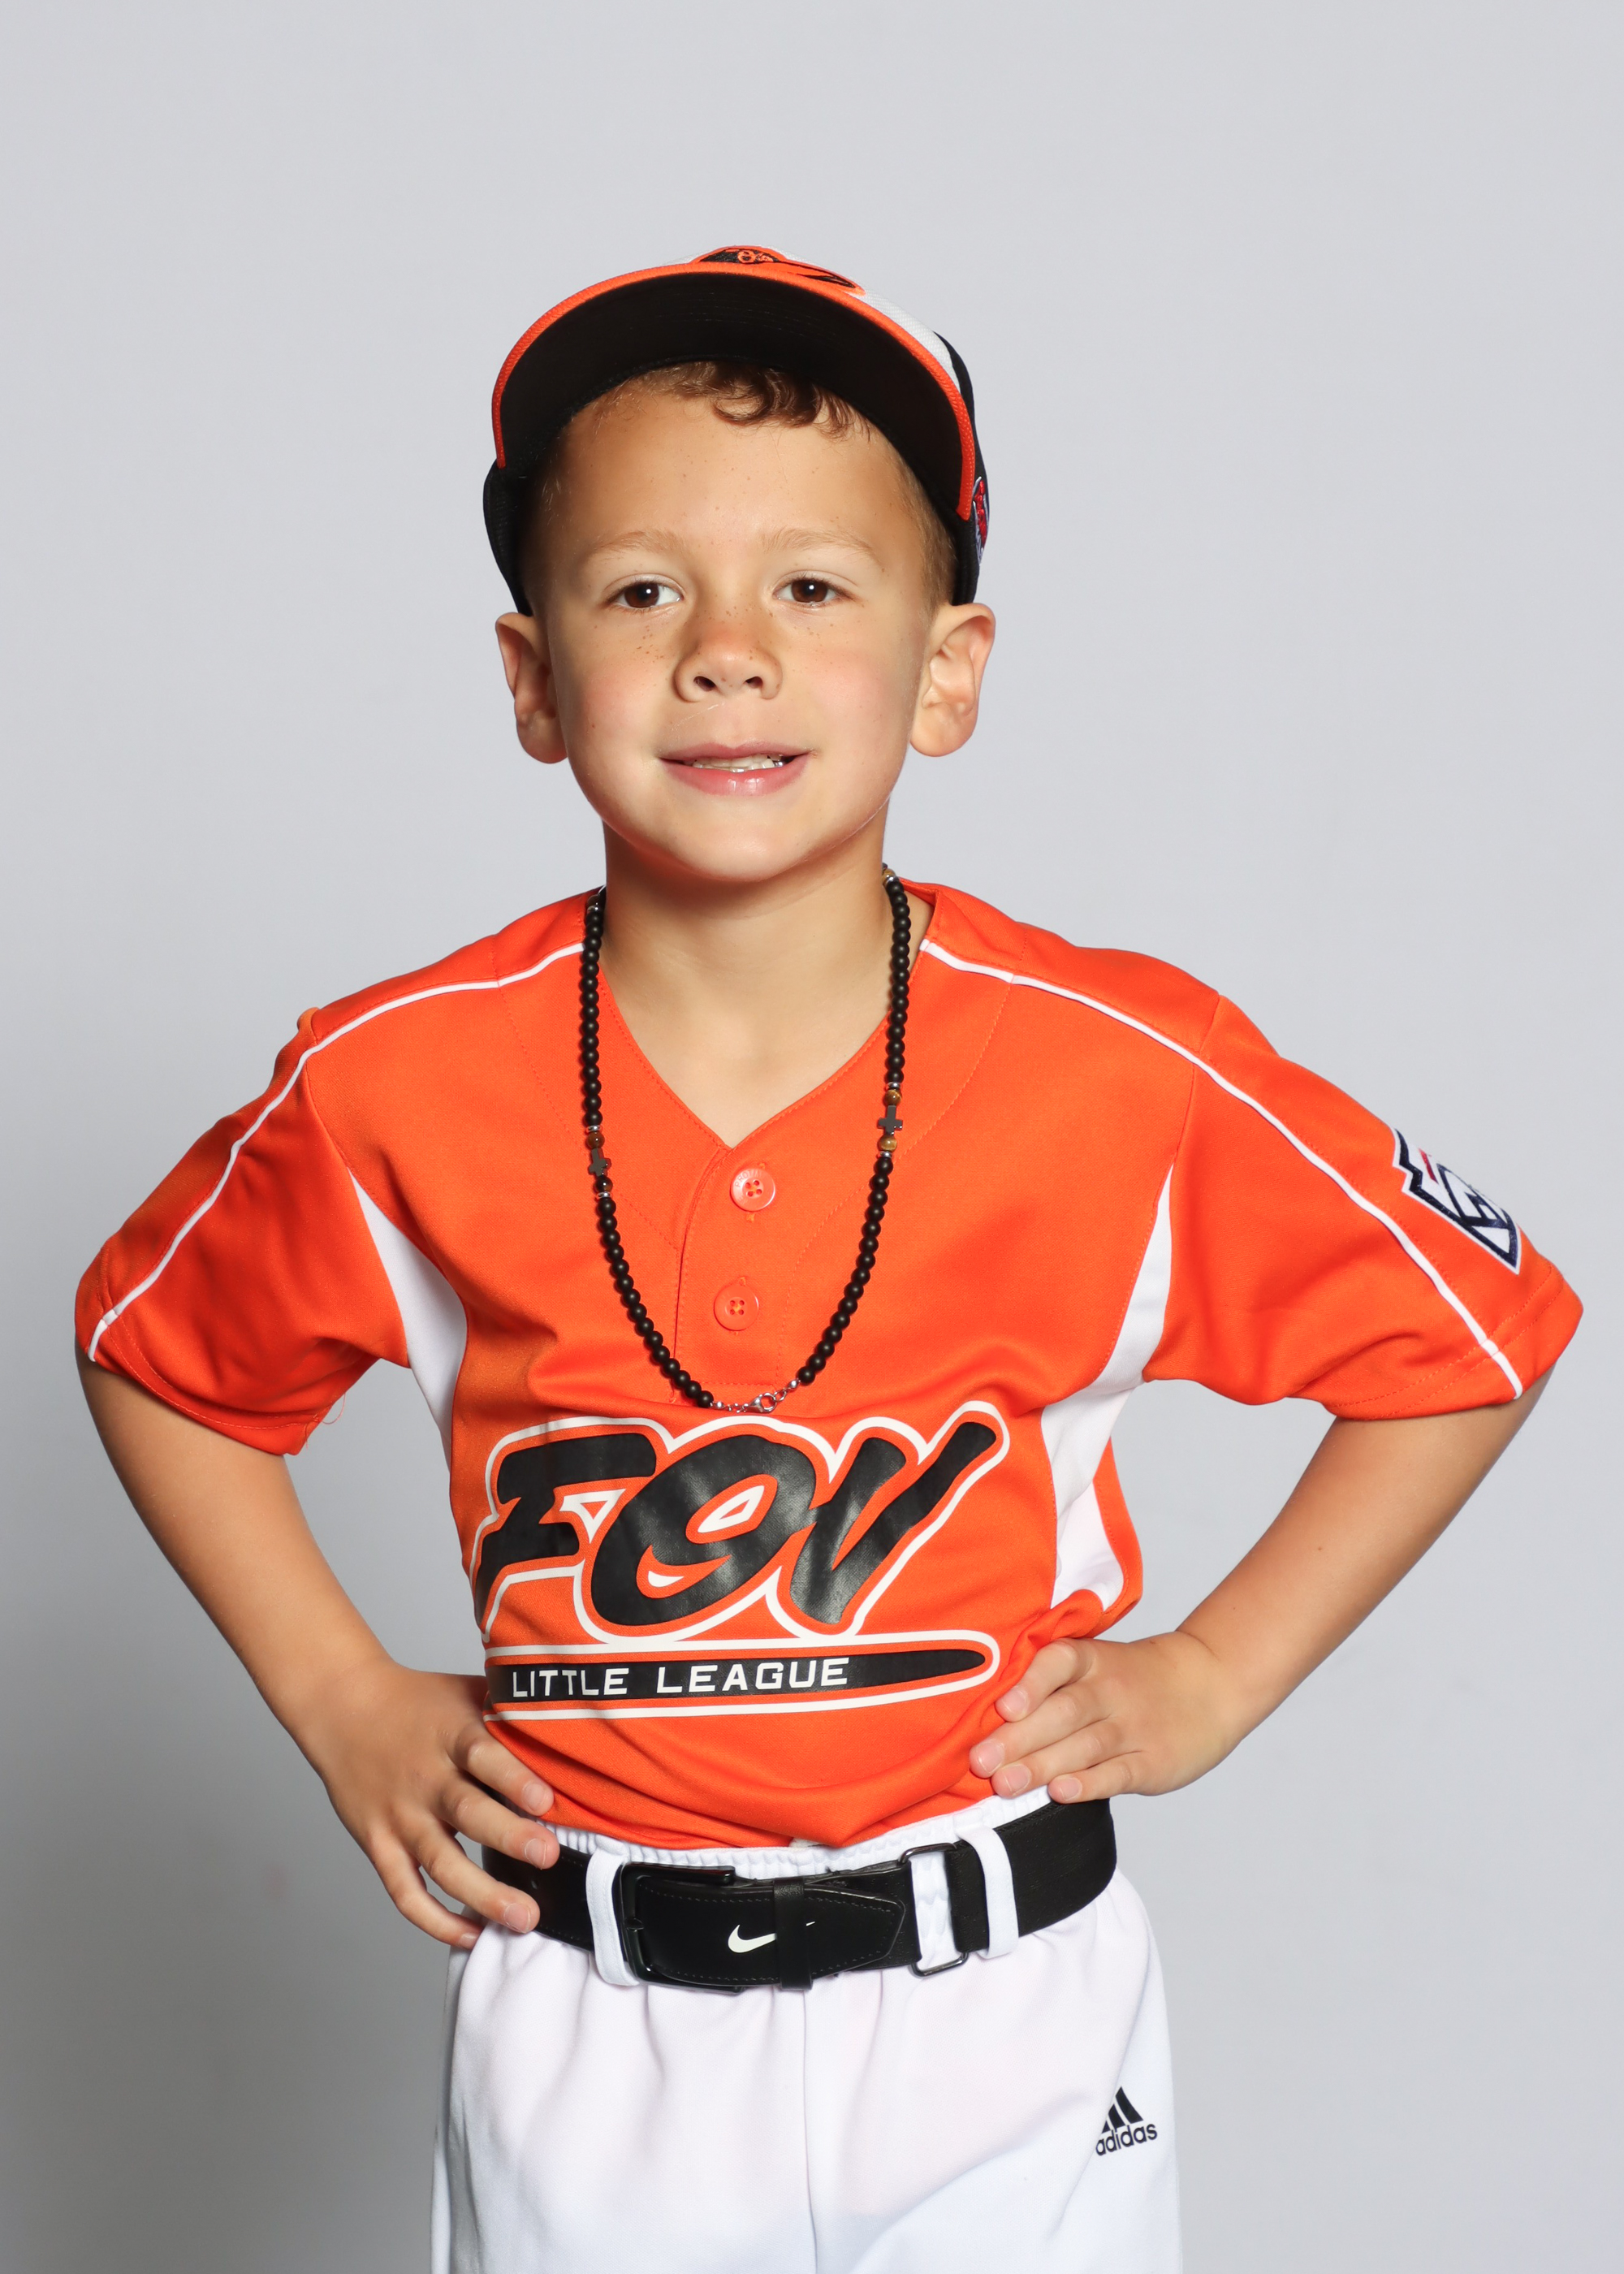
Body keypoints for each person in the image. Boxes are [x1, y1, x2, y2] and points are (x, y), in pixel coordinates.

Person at [76, 245, 1581, 2274]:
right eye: (640, 591)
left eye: (810, 585)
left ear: (947, 670)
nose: (726, 653)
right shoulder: (393, 1079)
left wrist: (1216, 1671)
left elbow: (1470, 1329)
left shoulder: (1116, 1064)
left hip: (999, 2002)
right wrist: (339, 1690)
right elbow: (157, 1353)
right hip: (592, 2011)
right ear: (532, 678)